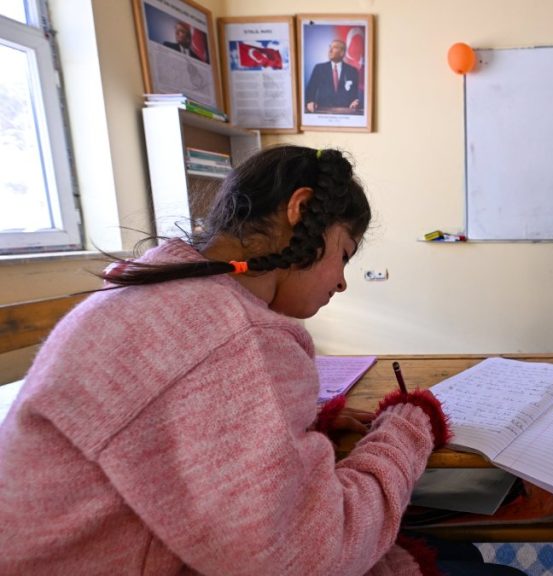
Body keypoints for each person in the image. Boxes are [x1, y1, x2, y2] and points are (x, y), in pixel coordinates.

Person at [0, 145, 523, 576]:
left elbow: (180, 432)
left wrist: (286, 425)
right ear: (300, 212)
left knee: (461, 556)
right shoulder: (232, 333)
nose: (342, 280)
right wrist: (408, 427)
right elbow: (307, 556)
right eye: (344, 252)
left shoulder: (160, 292)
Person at [305, 39, 362, 114]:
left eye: (334, 47)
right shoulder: (319, 68)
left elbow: (357, 93)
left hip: (346, 113)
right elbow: (310, 90)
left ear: (342, 53)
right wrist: (310, 102)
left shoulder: (352, 71)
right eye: (330, 47)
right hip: (322, 111)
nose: (330, 50)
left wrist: (356, 101)